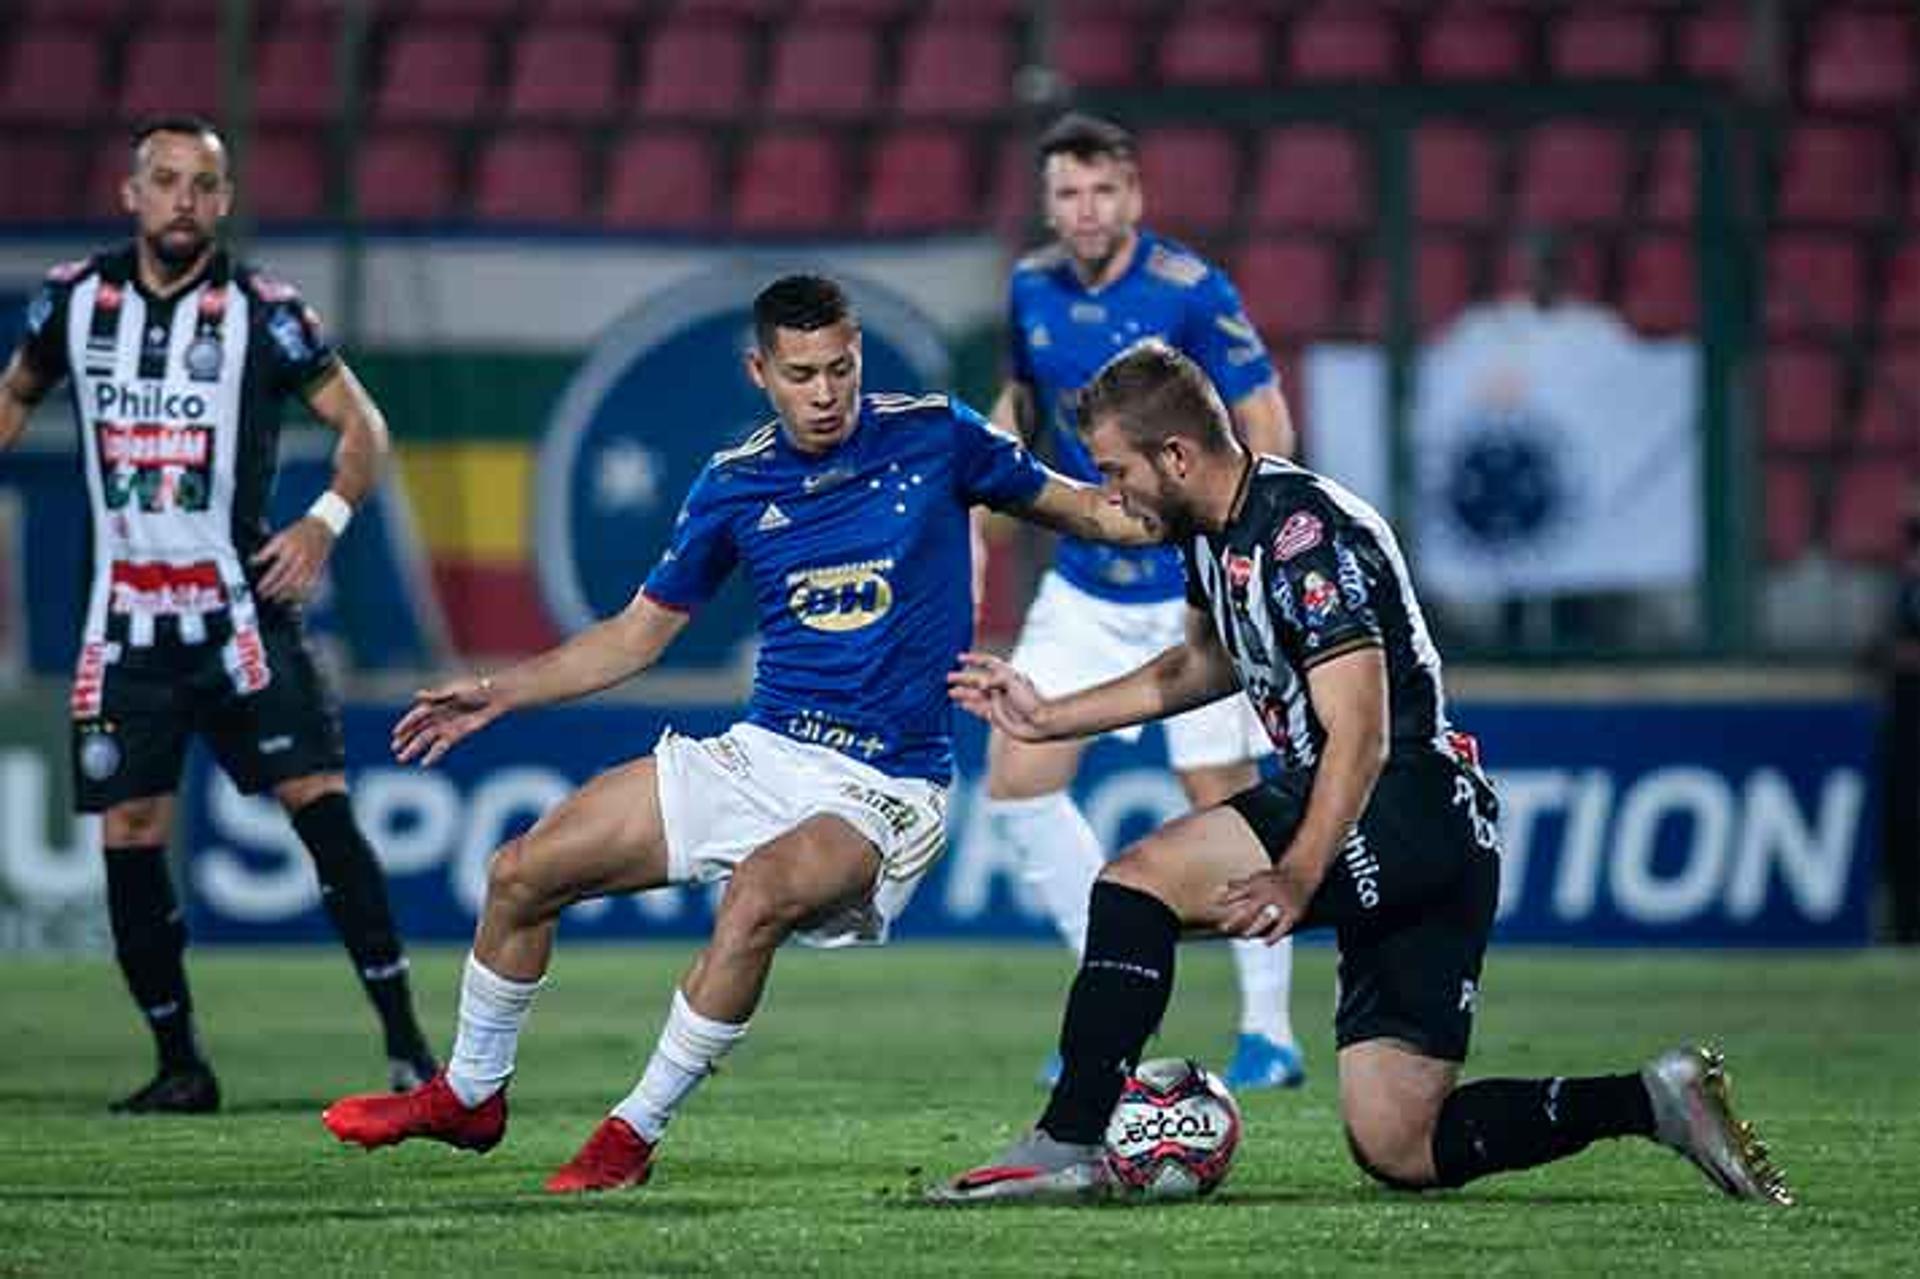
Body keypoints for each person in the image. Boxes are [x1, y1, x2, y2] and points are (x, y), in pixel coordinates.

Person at [321, 274, 1153, 1193]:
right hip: (762, 751)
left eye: (841, 368)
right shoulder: (735, 482)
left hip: (884, 785)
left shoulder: (937, 432)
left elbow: (1083, 506)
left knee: (756, 895)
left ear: (859, 355)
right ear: (760, 369)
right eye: (802, 374)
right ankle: (469, 1094)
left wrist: (1205, 507)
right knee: (522, 872)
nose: (826, 392)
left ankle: (630, 1134)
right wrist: (498, 692)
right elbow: (637, 635)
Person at [931, 341, 1792, 1206]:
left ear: (1177, 456)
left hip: (1401, 797)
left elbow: (1362, 729)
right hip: (1434, 831)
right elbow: (1192, 669)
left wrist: (1299, 872)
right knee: (1400, 1141)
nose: (1110, 495)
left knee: (1132, 889)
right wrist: (1050, 713)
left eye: (1117, 470)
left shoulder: (1305, 534)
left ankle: (1072, 1138)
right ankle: (1656, 1099)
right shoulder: (1211, 536)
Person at [0, 116, 436, 1112]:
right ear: (131, 194)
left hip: (241, 615)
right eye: (165, 180)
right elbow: (17, 394)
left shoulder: (265, 313)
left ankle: (411, 1048)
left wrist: (323, 522)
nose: (183, 199)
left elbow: (361, 425)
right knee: (131, 829)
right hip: (125, 630)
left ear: (225, 199)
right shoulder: (76, 300)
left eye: (203, 183)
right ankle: (179, 1065)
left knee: (319, 806)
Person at [981, 112, 1305, 1089]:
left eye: (1102, 191)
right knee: (1017, 775)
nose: (1085, 210)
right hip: (1085, 581)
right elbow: (1025, 407)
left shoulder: (1191, 291)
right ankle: (1110, 997)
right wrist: (983, 495)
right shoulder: (1030, 287)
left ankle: (1271, 1034)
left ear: (1135, 195)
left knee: (1223, 800)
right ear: (1048, 203)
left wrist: (1258, 548)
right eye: (1067, 194)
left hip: (1187, 585)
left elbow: (1265, 419)